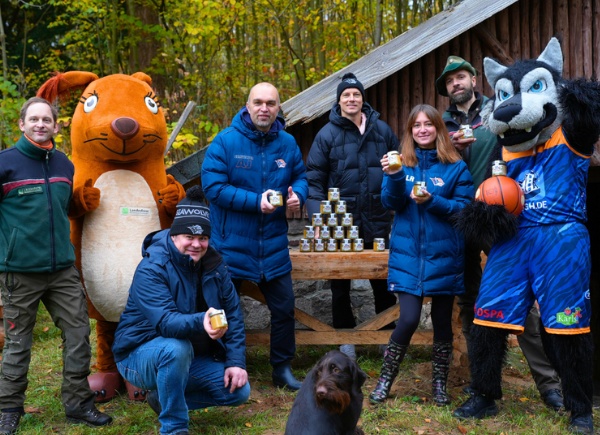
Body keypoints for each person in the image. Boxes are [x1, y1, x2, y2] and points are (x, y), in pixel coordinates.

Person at [436, 55, 564, 410]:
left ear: (474, 80)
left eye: (461, 77)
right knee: (470, 301)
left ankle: (549, 384)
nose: (455, 84)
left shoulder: (499, 110)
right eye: (449, 81)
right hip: (457, 218)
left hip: (499, 216)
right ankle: (480, 381)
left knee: (522, 302)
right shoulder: (439, 123)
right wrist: (449, 149)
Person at [0, 97, 112, 435]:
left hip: (62, 269)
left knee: (78, 336)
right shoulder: (5, 164)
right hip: (19, 271)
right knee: (19, 344)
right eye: (33, 119)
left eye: (46, 120)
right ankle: (8, 409)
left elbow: (63, 210)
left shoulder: (65, 164)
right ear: (21, 124)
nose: (39, 124)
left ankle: (78, 404)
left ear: (56, 126)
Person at [112, 186, 250, 435]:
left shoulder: (215, 265)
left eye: (203, 238)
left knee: (239, 391)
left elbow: (234, 315)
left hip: (186, 356)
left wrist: (236, 362)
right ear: (175, 235)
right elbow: (166, 322)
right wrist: (202, 320)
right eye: (189, 237)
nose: (197, 244)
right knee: (176, 347)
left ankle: (162, 399)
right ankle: (174, 427)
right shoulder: (152, 268)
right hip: (137, 354)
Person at [201, 83, 308, 391]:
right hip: (230, 248)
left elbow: (301, 176)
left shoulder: (287, 143)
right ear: (247, 106)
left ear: (278, 108)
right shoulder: (225, 142)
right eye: (258, 102)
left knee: (285, 308)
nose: (264, 108)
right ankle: (221, 366)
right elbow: (213, 188)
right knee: (222, 312)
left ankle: (282, 369)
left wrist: (297, 194)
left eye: (271, 103)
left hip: (273, 248)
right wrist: (255, 202)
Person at [369, 104, 474, 406]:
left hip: (445, 257)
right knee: (409, 319)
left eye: (429, 124)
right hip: (408, 256)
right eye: (416, 125)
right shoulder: (401, 163)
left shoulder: (456, 167)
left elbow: (463, 211)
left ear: (439, 129)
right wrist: (395, 175)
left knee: (442, 322)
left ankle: (439, 384)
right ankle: (385, 380)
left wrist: (431, 201)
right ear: (410, 131)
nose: (422, 130)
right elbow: (391, 202)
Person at [305, 73, 398, 360]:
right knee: (339, 285)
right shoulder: (327, 135)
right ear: (339, 100)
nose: (351, 99)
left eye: (356, 94)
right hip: (340, 222)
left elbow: (399, 166)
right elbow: (314, 180)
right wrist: (318, 218)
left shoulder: (382, 131)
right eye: (346, 95)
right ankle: (345, 342)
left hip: (377, 217)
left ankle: (387, 337)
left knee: (382, 282)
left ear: (362, 98)